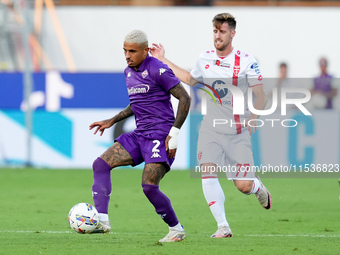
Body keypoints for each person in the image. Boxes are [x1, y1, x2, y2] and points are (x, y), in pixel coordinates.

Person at [150, 13, 272, 238]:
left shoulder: (246, 61)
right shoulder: (204, 59)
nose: (217, 35)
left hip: (237, 132)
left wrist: (254, 115)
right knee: (207, 171)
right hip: (211, 128)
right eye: (215, 31)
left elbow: (261, 95)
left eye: (222, 31)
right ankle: (223, 226)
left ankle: (256, 186)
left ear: (232, 34)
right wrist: (163, 59)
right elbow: (189, 79)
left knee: (243, 186)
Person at [89, 30, 190, 242]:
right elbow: (137, 103)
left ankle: (176, 229)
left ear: (145, 51)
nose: (127, 55)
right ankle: (102, 220)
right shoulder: (128, 72)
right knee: (100, 164)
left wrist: (174, 133)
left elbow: (184, 97)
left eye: (132, 51)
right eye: (125, 50)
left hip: (160, 136)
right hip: (140, 134)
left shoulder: (158, 69)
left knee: (149, 186)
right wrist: (112, 120)